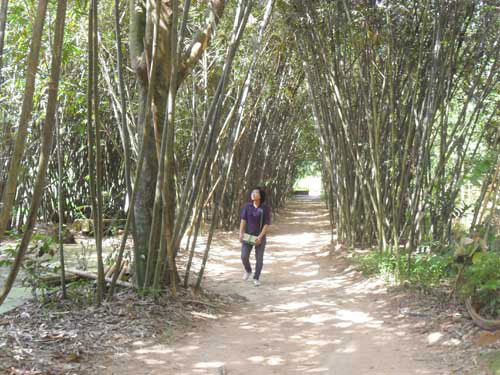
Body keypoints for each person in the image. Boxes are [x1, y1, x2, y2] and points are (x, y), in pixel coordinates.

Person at [239, 187, 271, 286]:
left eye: (256, 193)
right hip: (248, 235)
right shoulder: (247, 207)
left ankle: (256, 277)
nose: (253, 194)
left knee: (259, 258)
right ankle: (248, 270)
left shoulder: (265, 208)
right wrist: (241, 233)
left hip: (260, 237)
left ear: (260, 196)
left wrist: (260, 237)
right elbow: (243, 220)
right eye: (252, 192)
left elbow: (266, 224)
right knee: (244, 256)